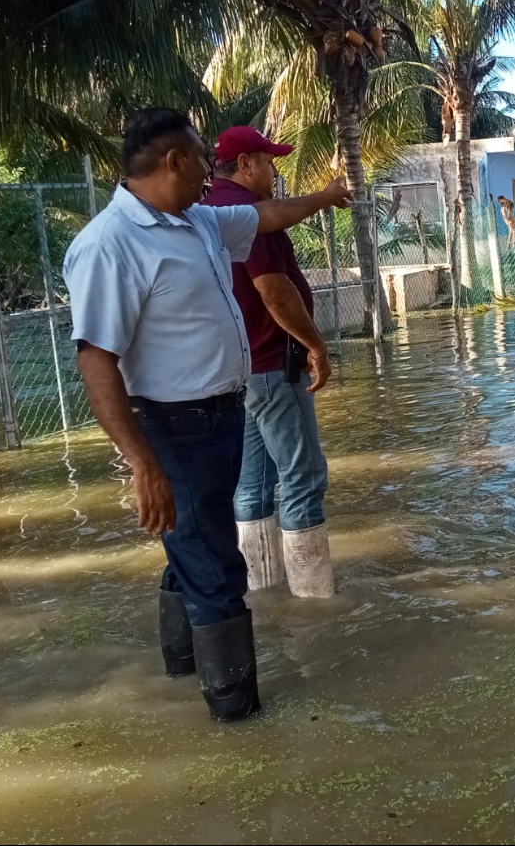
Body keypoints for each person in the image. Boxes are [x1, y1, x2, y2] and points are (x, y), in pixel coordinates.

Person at [62, 108, 351, 722]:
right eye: (200, 158)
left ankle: (180, 667)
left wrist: (324, 199)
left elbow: (266, 215)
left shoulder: (195, 219)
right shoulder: (110, 244)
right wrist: (142, 462)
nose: (210, 170)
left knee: (189, 547)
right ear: (174, 161)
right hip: (172, 426)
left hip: (224, 410)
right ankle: (237, 714)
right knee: (218, 568)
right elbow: (96, 360)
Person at [203, 126, 337, 600]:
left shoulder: (211, 209)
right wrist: (315, 346)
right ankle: (315, 600)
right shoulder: (245, 214)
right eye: (268, 160)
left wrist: (322, 196)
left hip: (239, 371)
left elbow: (288, 212)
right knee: (304, 476)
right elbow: (273, 290)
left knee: (253, 485)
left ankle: (262, 594)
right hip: (272, 366)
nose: (274, 169)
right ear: (245, 165)